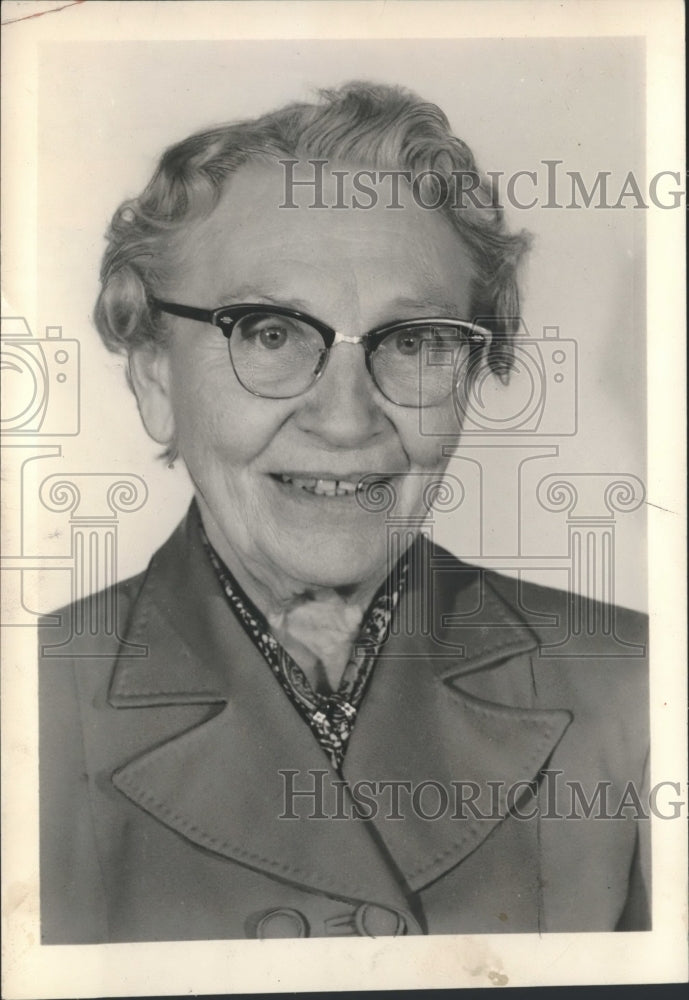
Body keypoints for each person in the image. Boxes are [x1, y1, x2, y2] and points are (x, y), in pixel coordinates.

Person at [39, 82, 649, 942]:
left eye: (412, 343)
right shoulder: (26, 709)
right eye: (270, 333)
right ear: (152, 378)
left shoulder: (639, 691)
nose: (347, 418)